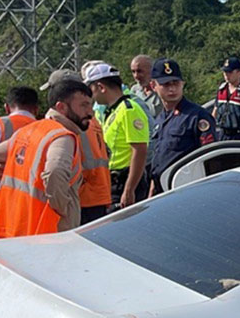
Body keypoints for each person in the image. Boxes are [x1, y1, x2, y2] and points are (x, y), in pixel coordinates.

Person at [0, 80, 93, 238]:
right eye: (84, 105)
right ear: (61, 107)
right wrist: (63, 208)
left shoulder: (27, 131)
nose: (90, 112)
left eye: (90, 105)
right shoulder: (62, 136)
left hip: (14, 228)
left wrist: (7, 188)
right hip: (47, 233)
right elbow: (55, 173)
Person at [42, 69, 112, 224]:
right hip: (99, 194)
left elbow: (57, 169)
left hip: (81, 198)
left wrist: (61, 206)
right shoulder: (90, 120)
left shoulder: (71, 123)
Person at [85, 62, 150, 209]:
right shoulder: (113, 111)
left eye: (91, 89)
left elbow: (139, 150)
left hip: (125, 180)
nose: (91, 95)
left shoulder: (129, 110)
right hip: (114, 180)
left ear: (101, 87)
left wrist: (129, 189)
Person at [148, 58, 216, 195]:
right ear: (153, 86)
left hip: (186, 190)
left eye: (176, 83)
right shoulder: (160, 119)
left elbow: (210, 159)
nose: (172, 88)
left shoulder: (197, 116)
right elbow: (160, 158)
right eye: (166, 84)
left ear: (182, 84)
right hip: (161, 190)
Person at [0, 86, 40, 210]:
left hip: (1, 203)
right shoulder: (45, 129)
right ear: (36, 109)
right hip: (34, 204)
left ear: (6, 107)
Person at [129, 54, 163, 119]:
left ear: (152, 70)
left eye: (139, 71)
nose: (136, 76)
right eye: (133, 72)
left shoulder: (161, 92)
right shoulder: (134, 91)